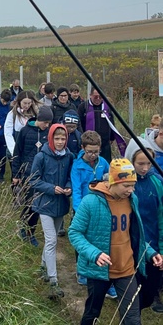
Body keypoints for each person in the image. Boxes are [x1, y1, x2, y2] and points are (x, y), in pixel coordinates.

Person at [68, 157, 163, 325]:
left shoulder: (132, 200)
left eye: (133, 185)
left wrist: (150, 253)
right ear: (113, 181)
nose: (131, 190)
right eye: (126, 185)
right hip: (99, 270)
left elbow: (134, 235)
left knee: (132, 318)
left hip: (126, 268)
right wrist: (94, 254)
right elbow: (74, 233)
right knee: (92, 313)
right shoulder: (90, 202)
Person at [30, 124, 73, 299]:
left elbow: (71, 176)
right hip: (45, 204)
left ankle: (42, 266)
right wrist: (51, 188)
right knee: (51, 240)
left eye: (63, 138)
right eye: (57, 138)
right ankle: (53, 280)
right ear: (50, 139)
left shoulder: (69, 156)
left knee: (52, 238)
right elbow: (33, 180)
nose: (60, 142)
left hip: (61, 204)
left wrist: (68, 187)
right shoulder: (41, 156)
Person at [125, 137, 163, 313]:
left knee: (148, 293)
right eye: (140, 163)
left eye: (149, 163)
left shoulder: (157, 181)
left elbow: (161, 216)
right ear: (131, 160)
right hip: (130, 246)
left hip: (154, 244)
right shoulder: (125, 184)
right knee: (132, 297)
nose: (145, 167)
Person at [70, 131, 110, 289]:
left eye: (96, 151)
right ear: (82, 148)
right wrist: (79, 210)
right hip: (83, 209)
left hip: (100, 207)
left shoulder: (104, 163)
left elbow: (108, 181)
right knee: (81, 238)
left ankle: (99, 267)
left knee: (97, 237)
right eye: (89, 152)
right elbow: (77, 190)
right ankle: (81, 270)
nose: (93, 155)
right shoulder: (77, 166)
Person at [12, 106, 53, 247]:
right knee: (29, 203)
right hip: (27, 174)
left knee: (38, 205)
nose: (46, 126)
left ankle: (31, 232)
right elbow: (17, 153)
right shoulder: (25, 131)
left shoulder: (49, 133)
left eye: (49, 123)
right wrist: (15, 174)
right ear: (39, 119)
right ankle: (24, 228)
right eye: (45, 122)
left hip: (43, 176)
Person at [78, 87, 126, 163]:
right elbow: (79, 125)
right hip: (89, 145)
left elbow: (112, 123)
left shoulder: (107, 107)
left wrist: (112, 138)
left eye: (100, 97)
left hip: (105, 145)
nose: (98, 99)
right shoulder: (83, 107)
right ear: (90, 95)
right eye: (95, 97)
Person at [4, 90, 39, 160]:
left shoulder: (35, 113)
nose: (27, 106)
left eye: (29, 103)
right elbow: (8, 133)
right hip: (17, 145)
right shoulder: (12, 114)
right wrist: (14, 151)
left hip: (31, 147)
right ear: (19, 101)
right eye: (24, 103)